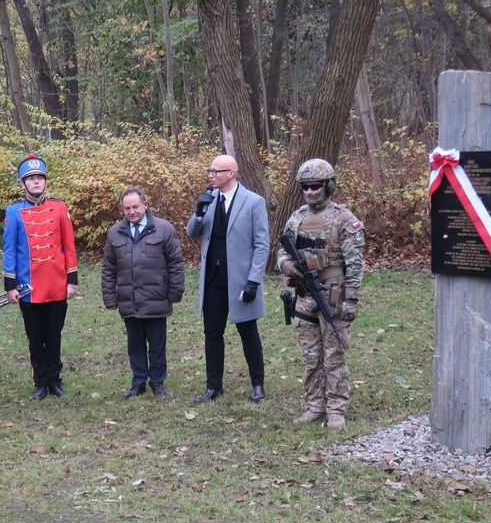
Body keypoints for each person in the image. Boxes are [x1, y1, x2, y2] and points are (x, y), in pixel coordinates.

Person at [275, 158, 365, 430]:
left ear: (329, 186)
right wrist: (288, 266)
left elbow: (355, 262)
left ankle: (336, 408)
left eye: (316, 186)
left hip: (334, 295)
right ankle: (315, 405)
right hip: (305, 296)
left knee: (334, 353)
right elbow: (281, 252)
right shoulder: (297, 217)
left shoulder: (343, 218)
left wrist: (352, 298)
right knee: (311, 356)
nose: (310, 191)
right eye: (305, 187)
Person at [186, 154, 269, 403]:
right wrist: (199, 212)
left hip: (241, 280)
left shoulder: (254, 202)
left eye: (215, 171)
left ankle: (257, 384)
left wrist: (253, 280)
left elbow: (262, 244)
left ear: (231, 173)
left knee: (248, 331)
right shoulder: (209, 200)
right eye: (209, 170)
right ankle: (213, 387)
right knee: (212, 333)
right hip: (213, 279)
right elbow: (192, 233)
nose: (210, 175)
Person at [2, 154, 79, 400]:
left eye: (39, 178)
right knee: (35, 337)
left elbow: (69, 246)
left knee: (54, 335)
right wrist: (10, 286)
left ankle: (55, 380)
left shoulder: (60, 207)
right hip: (28, 287)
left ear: (45, 182)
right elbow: (10, 250)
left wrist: (72, 281)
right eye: (31, 179)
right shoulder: (13, 211)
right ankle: (40, 381)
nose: (36, 182)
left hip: (57, 284)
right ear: (23, 184)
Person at [102, 186, 184, 398]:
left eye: (135, 206)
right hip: (129, 300)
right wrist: (110, 297)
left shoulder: (164, 229)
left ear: (145, 205)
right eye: (127, 208)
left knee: (157, 345)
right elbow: (109, 268)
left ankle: (157, 383)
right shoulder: (114, 233)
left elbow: (175, 263)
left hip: (156, 299)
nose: (131, 211)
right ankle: (138, 383)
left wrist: (175, 292)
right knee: (135, 345)